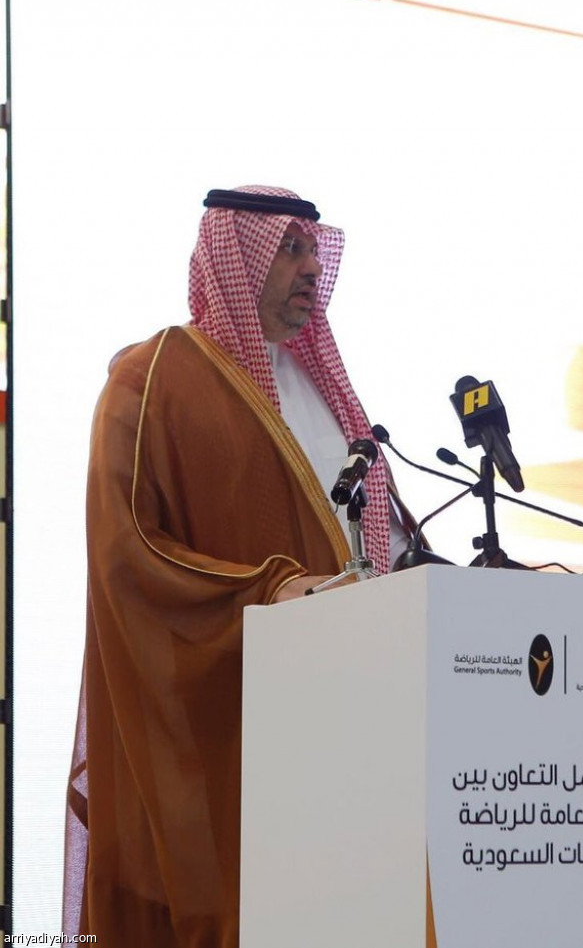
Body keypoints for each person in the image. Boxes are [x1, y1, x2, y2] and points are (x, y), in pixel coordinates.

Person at [62, 186, 414, 947]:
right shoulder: (151, 379)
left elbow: (381, 551)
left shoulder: (328, 396)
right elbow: (127, 552)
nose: (311, 267)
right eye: (289, 248)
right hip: (220, 739)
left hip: (345, 733)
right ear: (235, 257)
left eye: (315, 250)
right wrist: (269, 592)